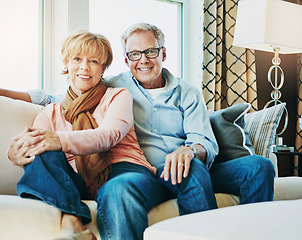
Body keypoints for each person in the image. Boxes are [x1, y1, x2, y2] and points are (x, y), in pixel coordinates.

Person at [5, 23, 275, 239]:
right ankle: (72, 220)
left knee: (258, 166)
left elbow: (204, 140)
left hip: (182, 166)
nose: (143, 60)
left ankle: (252, 233)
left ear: (163, 54)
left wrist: (190, 150)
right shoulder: (111, 85)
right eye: (135, 54)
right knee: (49, 151)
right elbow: (68, 94)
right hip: (147, 172)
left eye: (150, 52)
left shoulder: (184, 93)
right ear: (126, 59)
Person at [7, 30, 160, 240]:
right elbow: (35, 146)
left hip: (124, 171)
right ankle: (72, 222)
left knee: (116, 187)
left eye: (94, 61)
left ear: (103, 68)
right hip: (76, 182)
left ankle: (69, 217)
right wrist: (15, 154)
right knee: (42, 150)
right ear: (67, 64)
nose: (84, 67)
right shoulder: (50, 112)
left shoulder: (117, 96)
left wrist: (59, 140)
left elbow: (108, 135)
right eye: (77, 59)